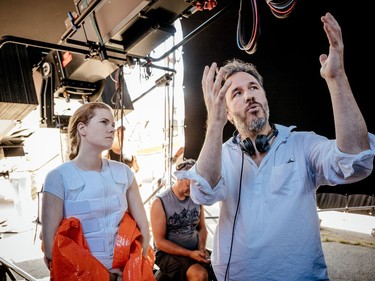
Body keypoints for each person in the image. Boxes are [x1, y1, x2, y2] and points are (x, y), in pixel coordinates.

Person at [178, 12, 375, 280]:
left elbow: (357, 161)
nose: (249, 95)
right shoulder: (222, 155)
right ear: (225, 108)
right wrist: (214, 123)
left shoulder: (301, 143)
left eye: (254, 87)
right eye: (236, 93)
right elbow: (203, 193)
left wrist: (336, 78)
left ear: (264, 95)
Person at [41, 102, 154, 280]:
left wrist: (132, 269)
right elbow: (50, 247)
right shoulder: (58, 178)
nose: (111, 129)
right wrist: (104, 276)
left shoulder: (124, 173)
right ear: (82, 128)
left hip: (124, 273)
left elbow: (144, 229)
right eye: (104, 122)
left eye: (113, 124)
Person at [150, 159, 216, 281]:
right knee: (199, 275)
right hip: (167, 254)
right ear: (179, 178)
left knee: (223, 268)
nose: (193, 188)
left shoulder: (196, 197)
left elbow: (201, 228)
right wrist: (190, 254)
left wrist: (201, 248)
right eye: (189, 184)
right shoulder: (160, 202)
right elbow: (159, 242)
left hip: (194, 250)